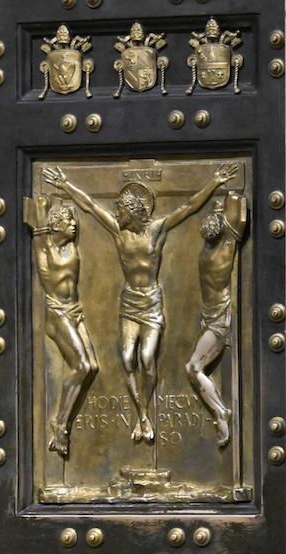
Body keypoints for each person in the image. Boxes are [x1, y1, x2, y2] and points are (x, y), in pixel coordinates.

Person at [42, 163, 239, 442]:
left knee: (146, 359)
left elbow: (188, 208)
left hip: (151, 302)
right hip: (129, 301)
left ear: (132, 211)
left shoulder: (156, 231)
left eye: (121, 210)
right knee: (126, 358)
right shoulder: (118, 232)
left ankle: (145, 415)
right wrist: (64, 185)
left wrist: (215, 183)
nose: (116, 214)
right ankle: (142, 416)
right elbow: (89, 207)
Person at [28, 196, 98, 457]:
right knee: (81, 366)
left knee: (92, 367)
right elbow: (38, 232)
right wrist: (42, 210)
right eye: (69, 221)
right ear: (55, 226)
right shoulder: (45, 249)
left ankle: (62, 421)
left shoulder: (71, 248)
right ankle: (60, 424)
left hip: (75, 310)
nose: (74, 225)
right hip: (58, 314)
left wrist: (59, 195)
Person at [186, 192, 246, 447]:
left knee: (192, 368)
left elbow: (238, 217)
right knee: (194, 368)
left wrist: (231, 197)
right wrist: (230, 198)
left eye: (215, 216)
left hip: (218, 319)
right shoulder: (220, 246)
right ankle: (221, 412)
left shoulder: (222, 248)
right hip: (209, 316)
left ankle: (221, 413)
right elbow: (238, 216)